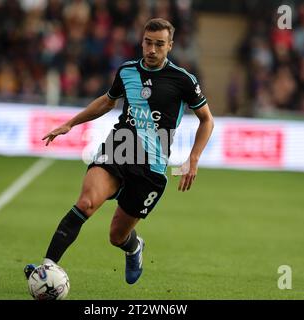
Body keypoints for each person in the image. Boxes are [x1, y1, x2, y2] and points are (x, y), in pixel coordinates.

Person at [24, 18, 214, 285]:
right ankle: (47, 267)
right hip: (120, 147)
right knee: (86, 203)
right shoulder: (126, 71)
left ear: (170, 46)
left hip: (152, 166)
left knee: (116, 236)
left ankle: (134, 248)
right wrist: (70, 123)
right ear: (142, 41)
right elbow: (107, 101)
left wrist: (193, 159)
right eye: (148, 42)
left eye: (159, 44)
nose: (152, 50)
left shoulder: (183, 80)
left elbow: (207, 119)